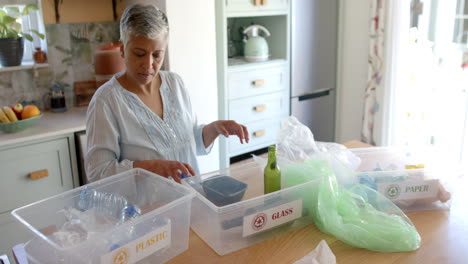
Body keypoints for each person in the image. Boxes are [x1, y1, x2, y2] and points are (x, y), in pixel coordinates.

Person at [85, 4, 249, 183]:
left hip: (191, 201)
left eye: (157, 55)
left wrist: (215, 128)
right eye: (139, 54)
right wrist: (151, 167)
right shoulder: (106, 101)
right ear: (123, 49)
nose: (148, 65)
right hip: (147, 209)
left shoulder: (174, 84)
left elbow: (190, 141)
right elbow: (98, 173)